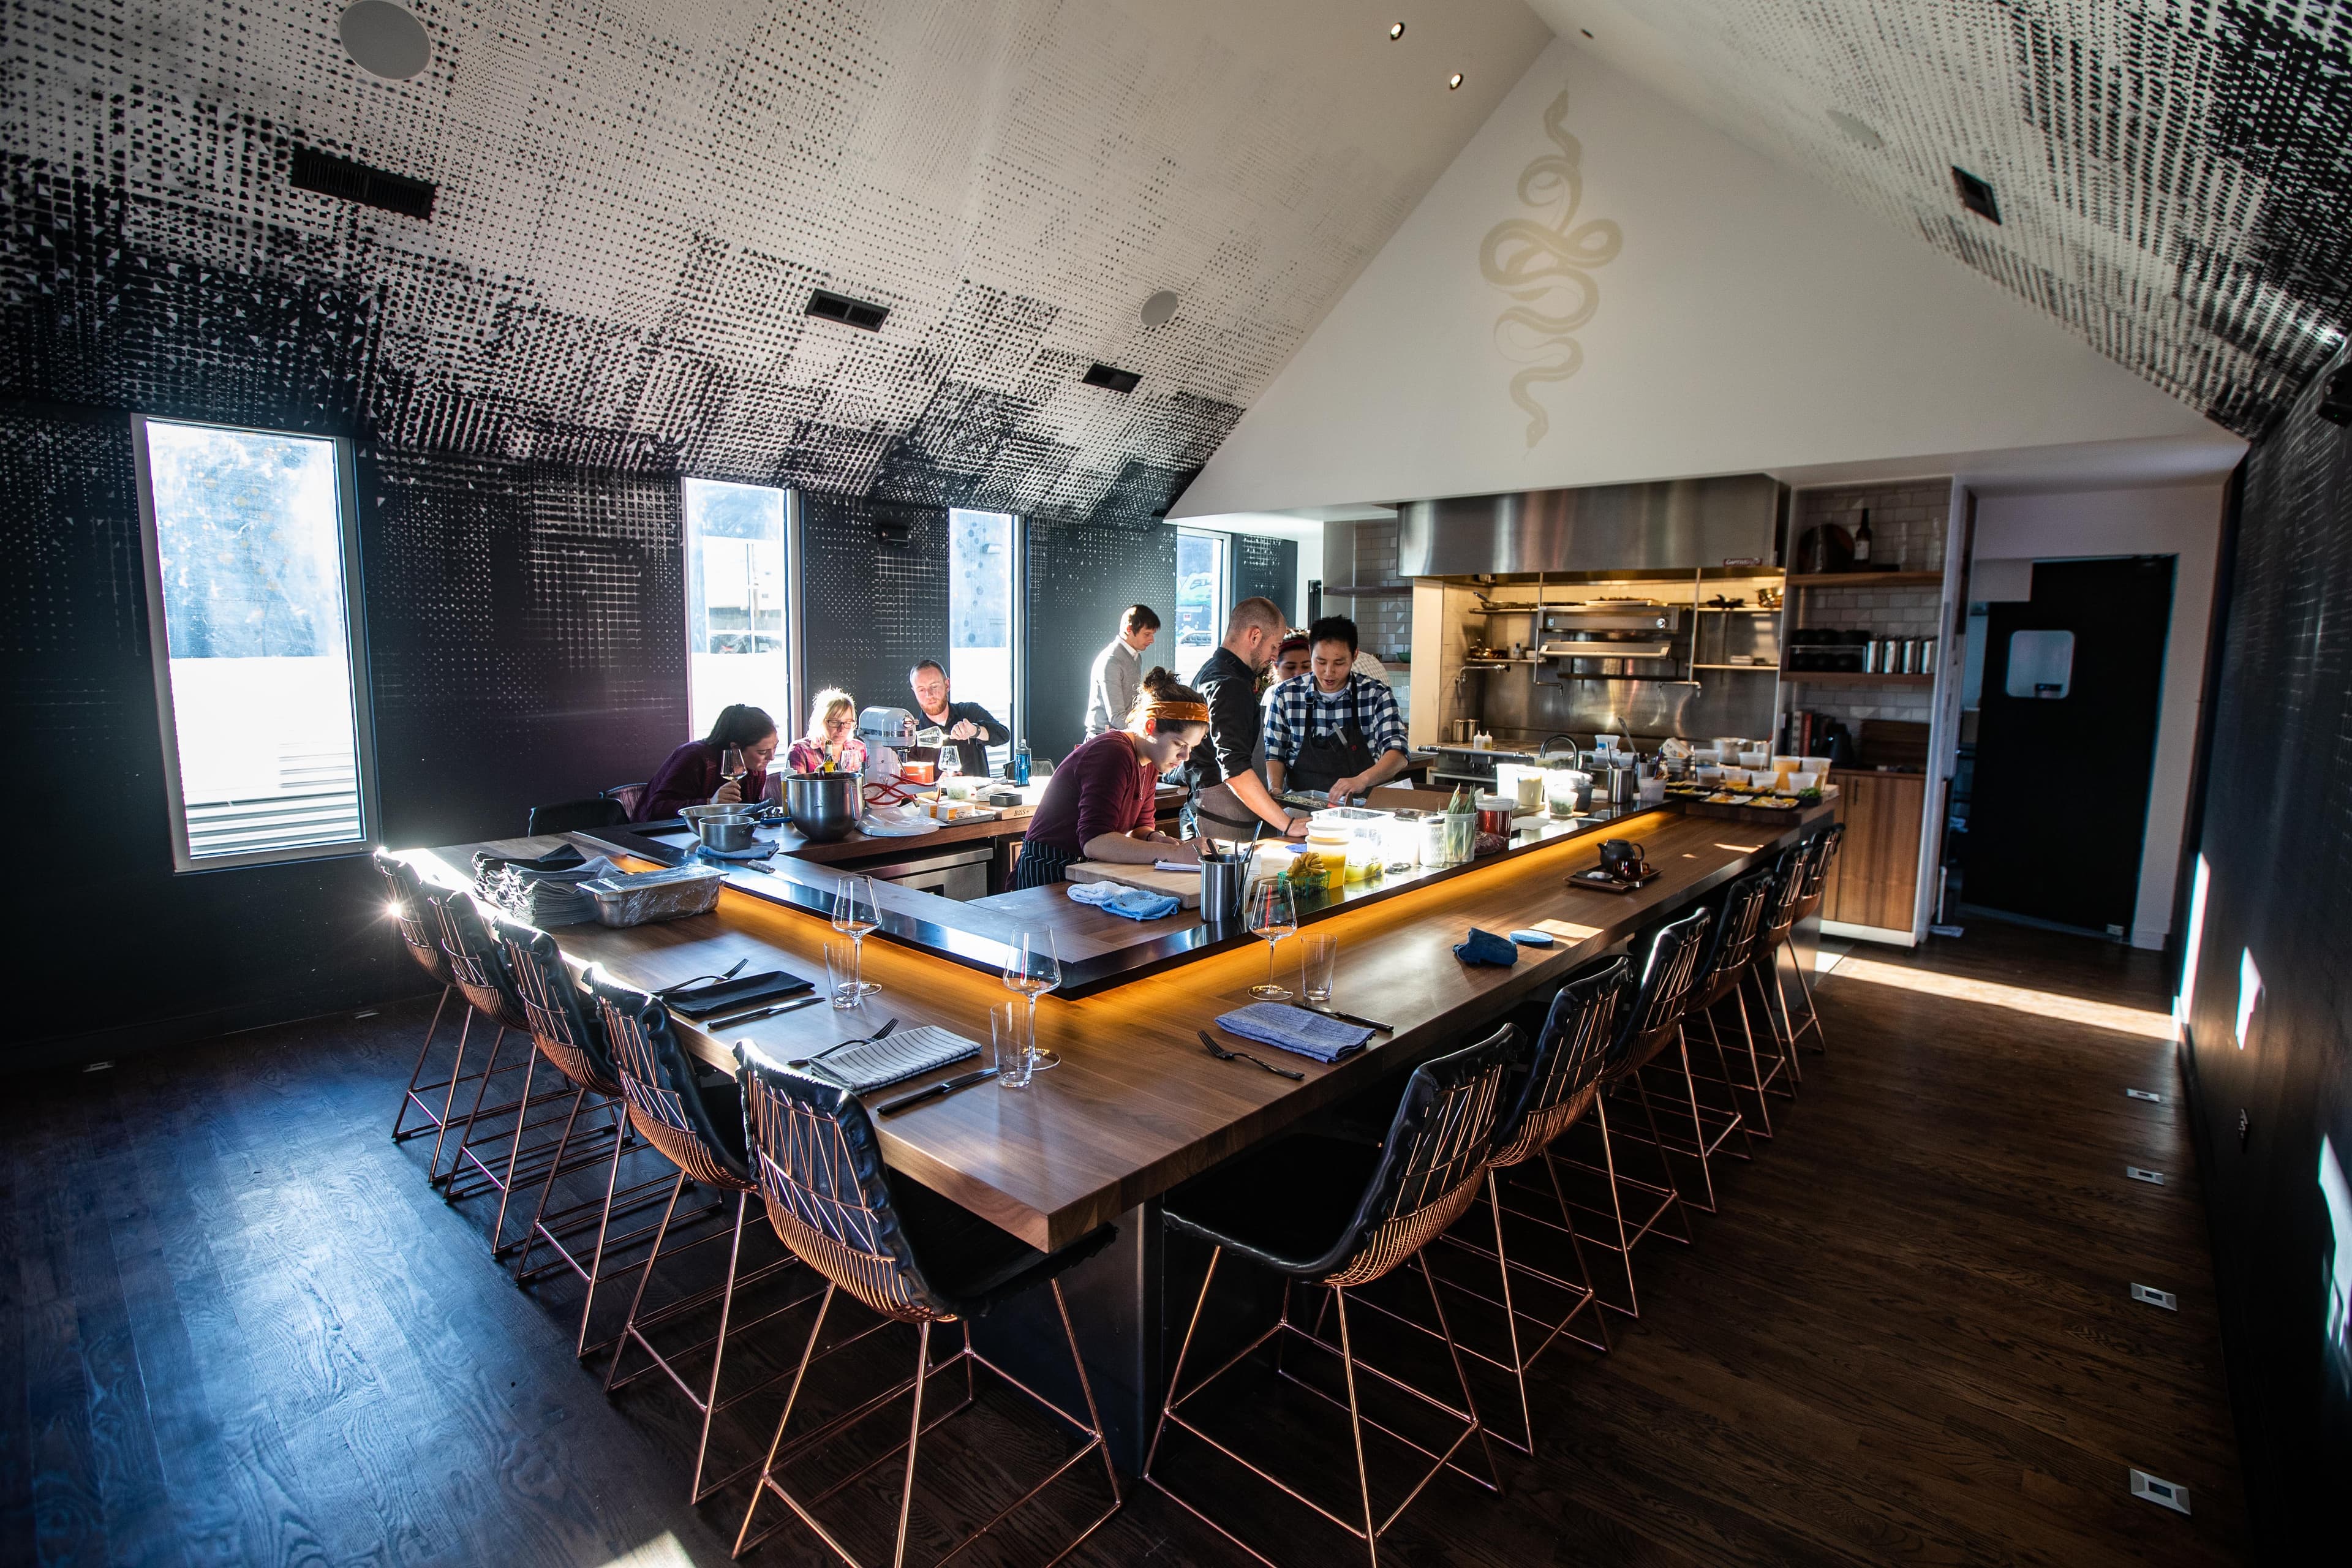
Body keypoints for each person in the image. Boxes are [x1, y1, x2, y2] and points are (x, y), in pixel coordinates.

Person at [1013, 668, 1206, 891]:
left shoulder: (1151, 761)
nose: (1185, 756)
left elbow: (1139, 829)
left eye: (1191, 747)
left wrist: (1154, 838)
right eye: (1179, 744)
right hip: (1049, 873)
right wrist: (1174, 854)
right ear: (1150, 727)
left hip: (1083, 870)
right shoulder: (1113, 753)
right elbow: (1095, 842)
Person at [1183, 595, 1310, 843]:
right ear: (1254, 636)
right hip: (1221, 821)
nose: (1275, 657)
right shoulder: (1230, 685)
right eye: (1274, 646)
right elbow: (1235, 769)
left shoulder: (1212, 670)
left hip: (1213, 811)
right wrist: (1288, 823)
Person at [1265, 614, 1410, 805]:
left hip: (1361, 809)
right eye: (1321, 662)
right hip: (1301, 809)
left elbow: (1398, 753)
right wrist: (1275, 788)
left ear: (1355, 655)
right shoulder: (1286, 695)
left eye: (1339, 663)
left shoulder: (1376, 695)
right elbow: (1274, 752)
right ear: (1310, 652)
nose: (1329, 672)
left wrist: (1362, 780)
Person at [638, 705, 778, 821]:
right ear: (735, 748)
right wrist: (709, 804)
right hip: (655, 838)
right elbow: (655, 809)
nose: (772, 757)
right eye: (762, 752)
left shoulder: (756, 771)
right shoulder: (694, 757)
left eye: (775, 747)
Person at [907, 659, 1009, 777]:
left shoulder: (970, 712)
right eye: (921, 690)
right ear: (914, 692)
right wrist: (937, 785)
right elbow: (910, 784)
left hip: (977, 795)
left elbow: (1003, 735)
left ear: (947, 685)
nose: (929, 695)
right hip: (935, 796)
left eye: (934, 686)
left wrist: (975, 731)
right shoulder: (912, 735)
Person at [1084, 604, 1160, 737]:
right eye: (1147, 634)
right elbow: (1117, 717)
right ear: (1129, 629)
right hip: (1103, 739)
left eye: (1152, 634)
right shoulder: (1111, 661)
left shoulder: (1135, 657)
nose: (1152, 640)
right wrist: (1149, 734)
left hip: (1120, 735)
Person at [785, 688, 866, 775]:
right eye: (835, 722)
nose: (841, 729)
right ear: (820, 721)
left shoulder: (859, 748)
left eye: (847, 722)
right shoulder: (801, 750)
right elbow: (798, 788)